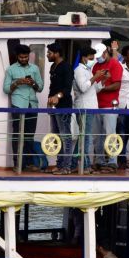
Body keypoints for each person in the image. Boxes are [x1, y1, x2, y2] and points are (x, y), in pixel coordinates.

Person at [3, 44, 44, 171]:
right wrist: (17, 83)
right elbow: (6, 89)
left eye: (26, 57)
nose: (24, 59)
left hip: (32, 105)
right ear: (17, 57)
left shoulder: (35, 68)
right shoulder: (11, 70)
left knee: (29, 135)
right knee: (17, 135)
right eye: (21, 57)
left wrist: (32, 83)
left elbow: (40, 88)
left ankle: (28, 163)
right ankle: (18, 163)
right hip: (18, 105)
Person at [92, 42, 123, 173]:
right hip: (97, 105)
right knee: (97, 135)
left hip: (110, 105)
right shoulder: (96, 66)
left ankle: (112, 161)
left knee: (110, 134)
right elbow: (93, 83)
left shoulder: (115, 65)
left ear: (106, 52)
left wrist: (100, 89)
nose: (99, 58)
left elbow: (117, 85)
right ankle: (99, 160)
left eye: (100, 55)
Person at [73, 47, 104, 172]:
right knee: (86, 138)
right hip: (84, 108)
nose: (93, 60)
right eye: (91, 58)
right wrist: (95, 76)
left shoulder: (88, 69)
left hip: (90, 107)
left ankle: (74, 163)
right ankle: (84, 166)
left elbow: (93, 89)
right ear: (84, 58)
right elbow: (83, 88)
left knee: (84, 137)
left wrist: (102, 79)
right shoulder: (79, 70)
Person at [46, 42, 75, 175]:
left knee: (65, 137)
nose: (47, 55)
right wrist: (49, 100)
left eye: (49, 53)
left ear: (57, 53)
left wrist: (57, 97)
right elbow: (53, 87)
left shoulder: (67, 67)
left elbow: (67, 88)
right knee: (56, 136)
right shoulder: (53, 66)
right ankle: (59, 163)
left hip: (64, 107)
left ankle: (67, 166)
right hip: (53, 106)